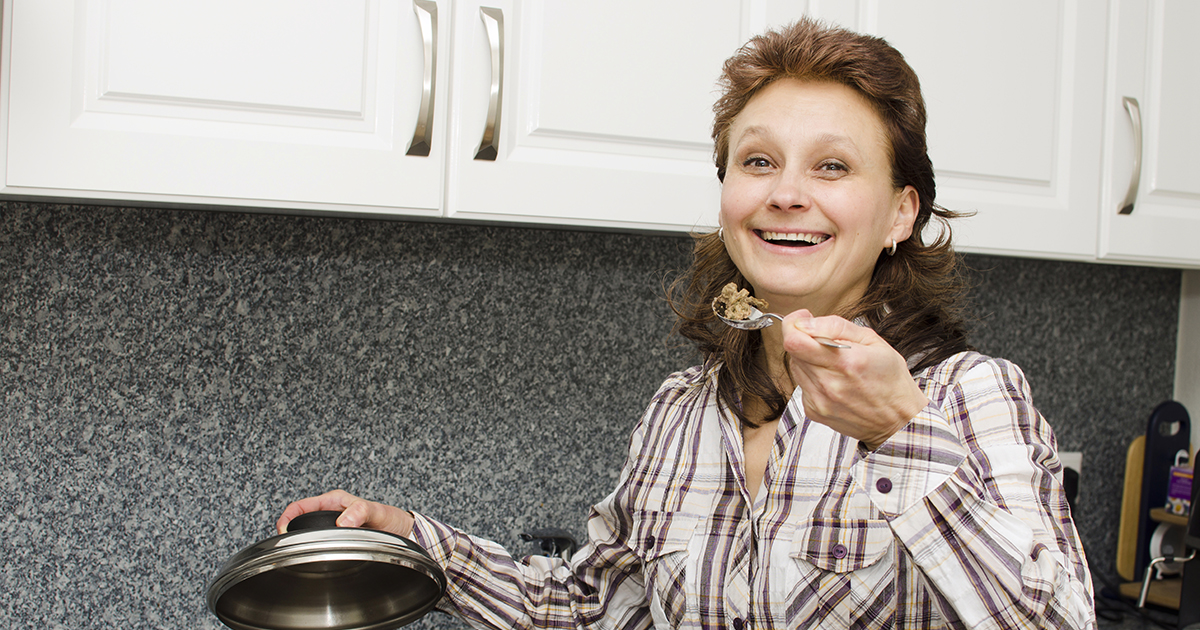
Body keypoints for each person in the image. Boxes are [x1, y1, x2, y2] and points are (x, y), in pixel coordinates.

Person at [278, 17, 1096, 630]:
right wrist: (413, 543)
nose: (786, 193)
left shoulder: (966, 398)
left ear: (900, 213)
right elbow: (590, 606)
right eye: (758, 161)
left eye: (833, 166)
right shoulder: (681, 412)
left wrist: (899, 434)